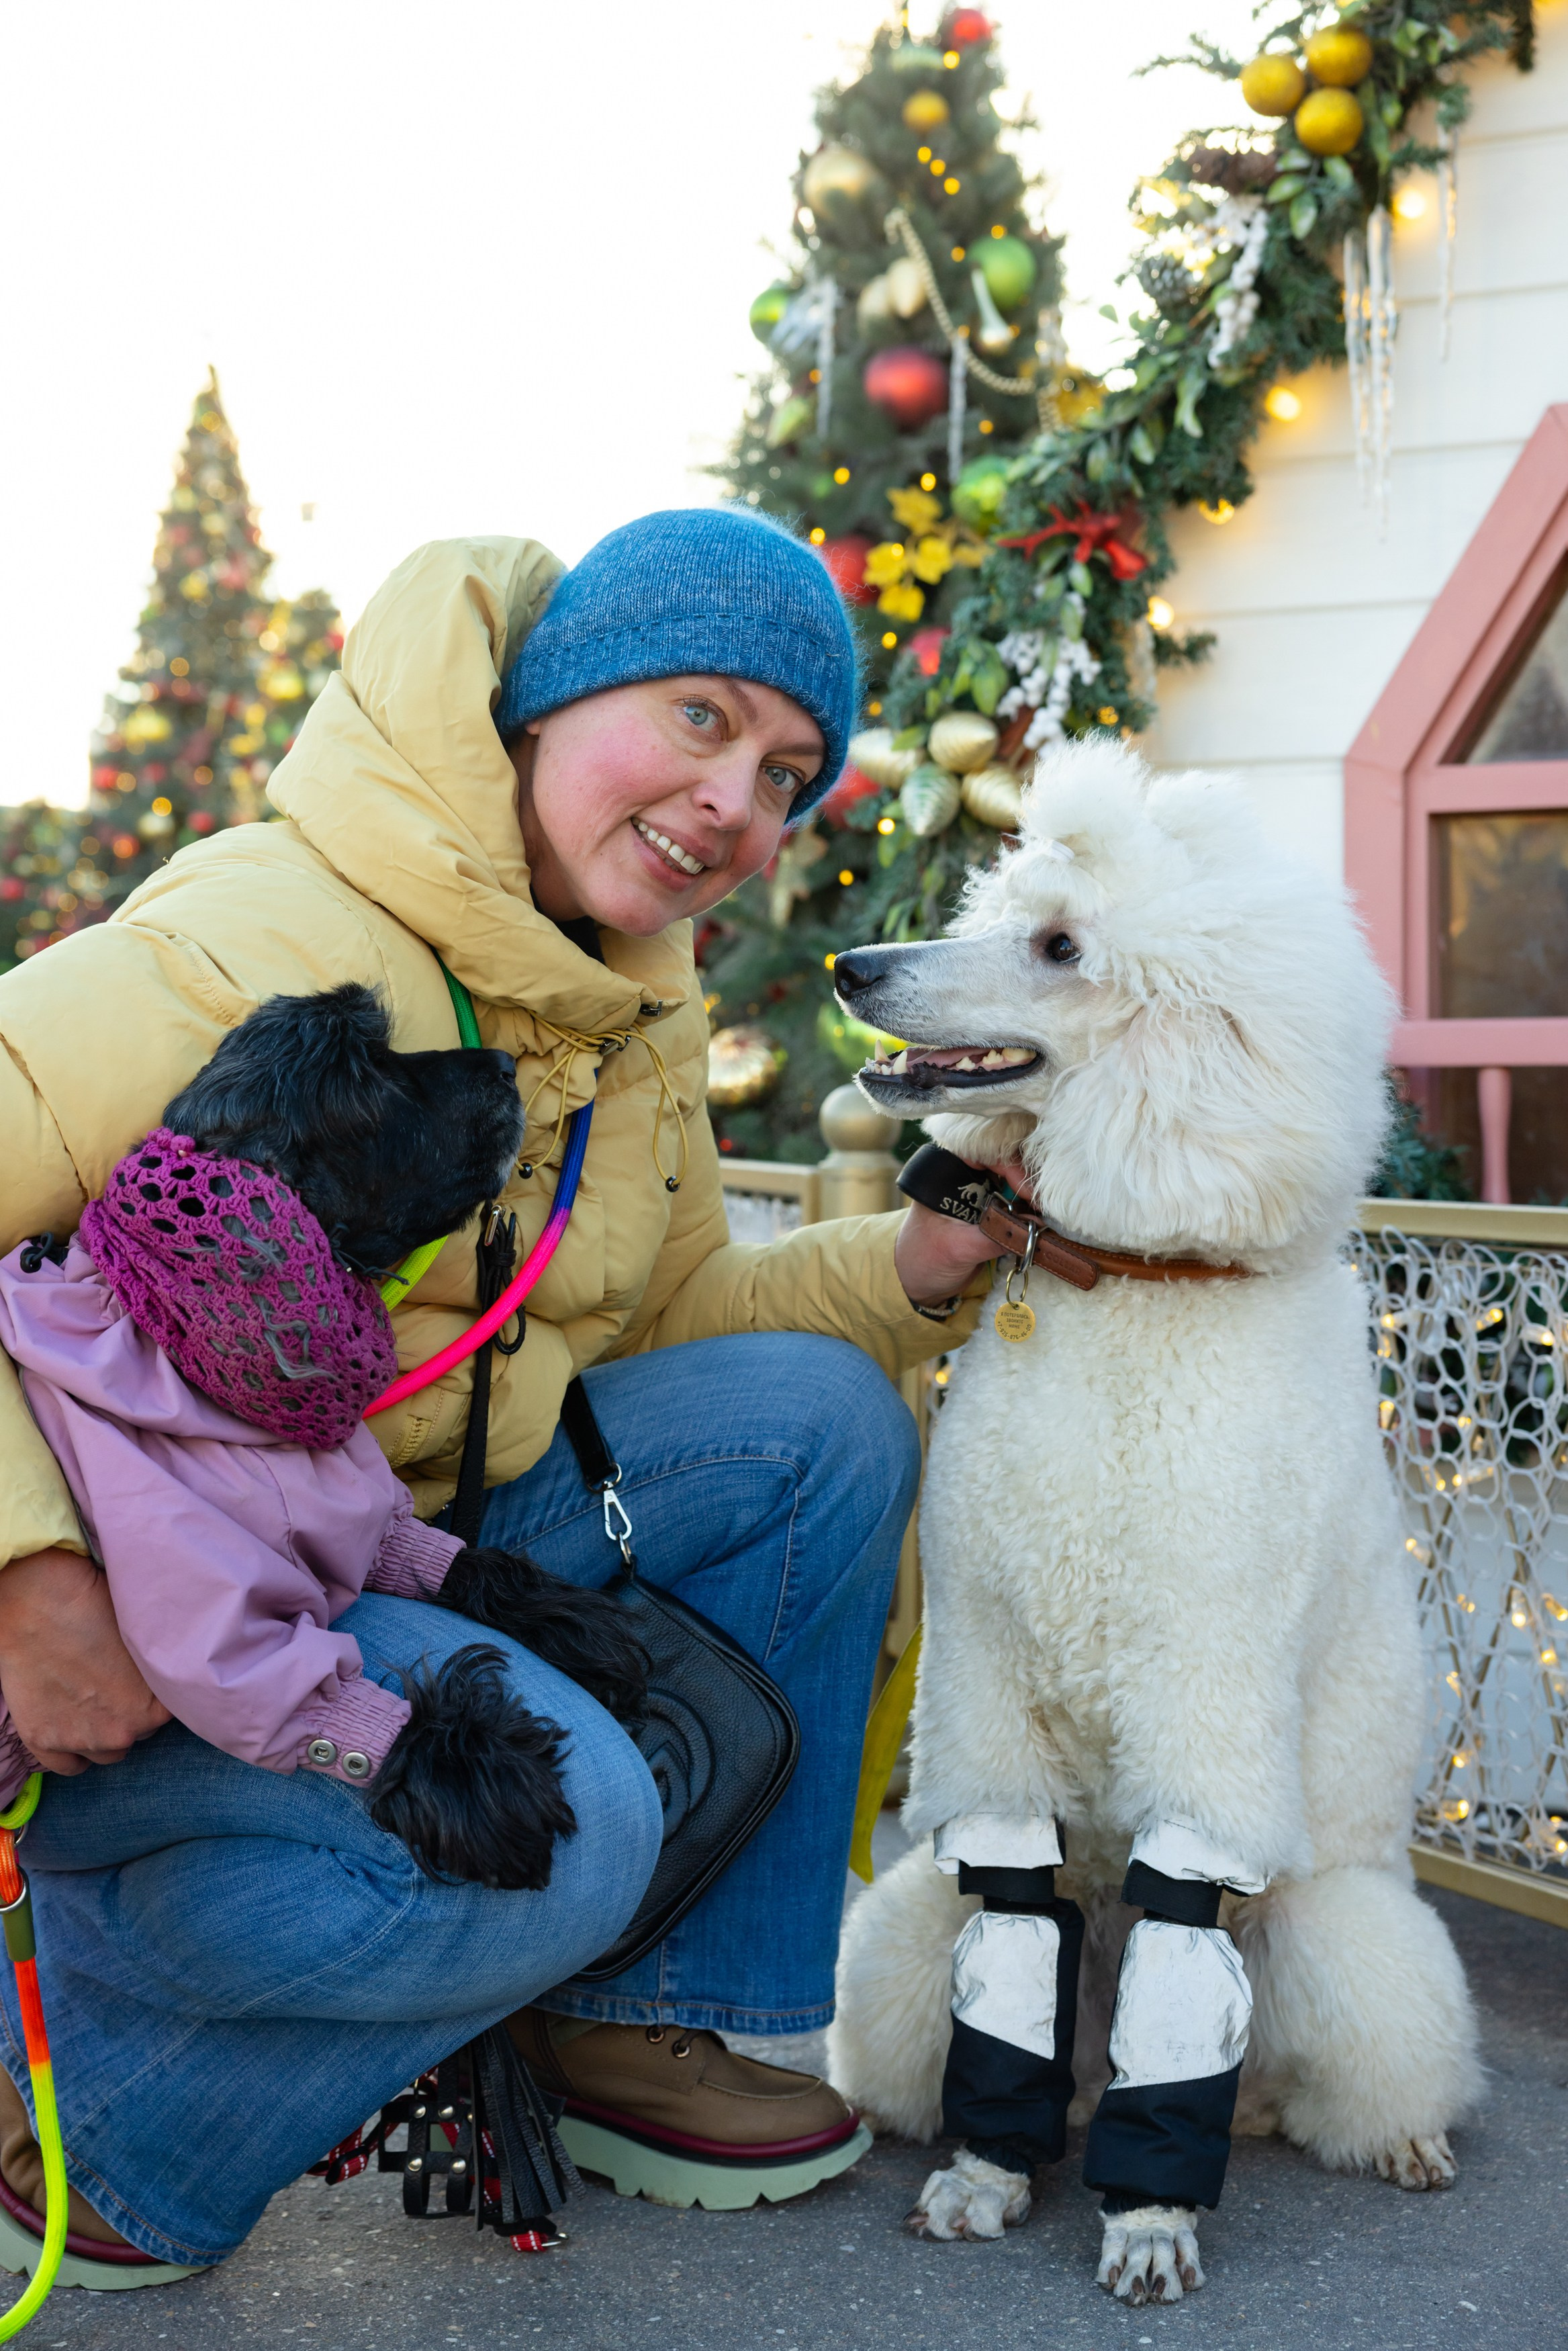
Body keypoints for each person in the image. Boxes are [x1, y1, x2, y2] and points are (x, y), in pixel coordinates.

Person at [0, 510, 1004, 2280]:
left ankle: (638, 2015)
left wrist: (906, 1275)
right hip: (156, 1614)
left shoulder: (638, 1015)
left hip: (397, 1541)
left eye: (786, 775)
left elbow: (675, 1313)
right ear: (546, 702)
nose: (737, 808)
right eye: (698, 718)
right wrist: (24, 1572)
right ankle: (105, 2112)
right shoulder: (252, 932)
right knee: (575, 1813)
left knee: (824, 1423)